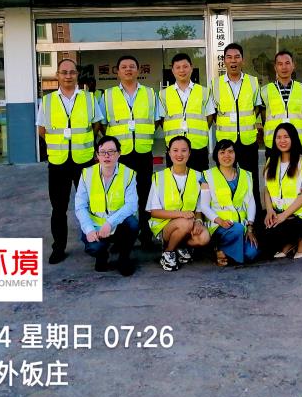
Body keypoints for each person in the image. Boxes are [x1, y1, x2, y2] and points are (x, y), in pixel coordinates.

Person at [36, 58, 102, 264]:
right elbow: (42, 130)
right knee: (59, 208)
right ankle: (59, 247)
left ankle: (94, 244)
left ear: (77, 75)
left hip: (84, 160)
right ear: (57, 75)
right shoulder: (47, 101)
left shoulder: (89, 98)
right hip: (58, 162)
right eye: (64, 72)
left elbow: (96, 125)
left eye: (72, 72)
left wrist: (82, 143)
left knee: (91, 205)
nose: (68, 76)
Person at [100, 55, 160, 249]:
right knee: (120, 197)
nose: (128, 69)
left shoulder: (150, 93)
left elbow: (156, 119)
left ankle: (145, 236)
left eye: (132, 66)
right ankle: (120, 238)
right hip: (120, 155)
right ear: (117, 71)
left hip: (143, 152)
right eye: (124, 67)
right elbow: (103, 124)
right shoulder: (108, 95)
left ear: (138, 70)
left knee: (145, 195)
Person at [74, 136, 138, 275]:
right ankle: (102, 255)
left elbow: (132, 205)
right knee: (94, 248)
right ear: (97, 155)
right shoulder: (87, 174)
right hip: (96, 225)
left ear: (119, 154)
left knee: (133, 224)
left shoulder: (128, 174)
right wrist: (89, 229)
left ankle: (124, 258)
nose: (107, 156)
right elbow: (80, 206)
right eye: (102, 152)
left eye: (111, 152)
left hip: (118, 223)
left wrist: (110, 223)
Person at [146, 136, 211, 271]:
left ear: (189, 153)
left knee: (204, 237)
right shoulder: (159, 177)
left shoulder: (198, 176)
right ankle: (168, 251)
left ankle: (180, 246)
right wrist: (181, 215)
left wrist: (199, 221)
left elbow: (199, 209)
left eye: (184, 150)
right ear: (169, 153)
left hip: (189, 223)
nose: (179, 154)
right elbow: (154, 212)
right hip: (164, 226)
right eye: (175, 150)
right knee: (185, 223)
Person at [208, 43, 262, 197]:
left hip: (248, 141)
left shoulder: (253, 82)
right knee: (224, 180)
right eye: (229, 57)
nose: (233, 61)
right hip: (225, 142)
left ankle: (254, 211)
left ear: (242, 60)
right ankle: (226, 210)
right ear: (224, 60)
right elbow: (213, 112)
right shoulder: (215, 84)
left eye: (237, 57)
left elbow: (257, 107)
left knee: (251, 180)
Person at [262, 123, 302, 259]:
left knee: (277, 232)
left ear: (293, 138)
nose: (282, 141)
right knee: (262, 230)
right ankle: (291, 241)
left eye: (286, 137)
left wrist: (283, 216)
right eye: (278, 137)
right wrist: (269, 211)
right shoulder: (271, 161)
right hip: (279, 214)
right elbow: (267, 190)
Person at [199, 139, 259, 266]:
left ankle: (222, 253)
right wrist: (220, 221)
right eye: (222, 152)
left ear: (236, 154)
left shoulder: (246, 175)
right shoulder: (208, 176)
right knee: (237, 230)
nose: (227, 155)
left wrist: (250, 227)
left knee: (251, 253)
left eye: (230, 152)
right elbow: (204, 206)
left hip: (241, 226)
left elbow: (251, 202)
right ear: (216, 155)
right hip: (218, 226)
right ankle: (217, 247)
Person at [158, 53, 213, 172]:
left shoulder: (204, 92)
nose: (182, 70)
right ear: (172, 70)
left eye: (185, 66)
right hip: (174, 149)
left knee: (200, 181)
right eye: (178, 67)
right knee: (176, 181)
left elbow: (209, 117)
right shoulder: (164, 94)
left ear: (191, 68)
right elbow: (162, 120)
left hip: (198, 146)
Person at [261, 50, 302, 152]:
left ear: (293, 65)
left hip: (297, 142)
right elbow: (263, 116)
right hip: (274, 143)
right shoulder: (264, 90)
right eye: (280, 64)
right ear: (275, 67)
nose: (284, 67)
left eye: (287, 63)